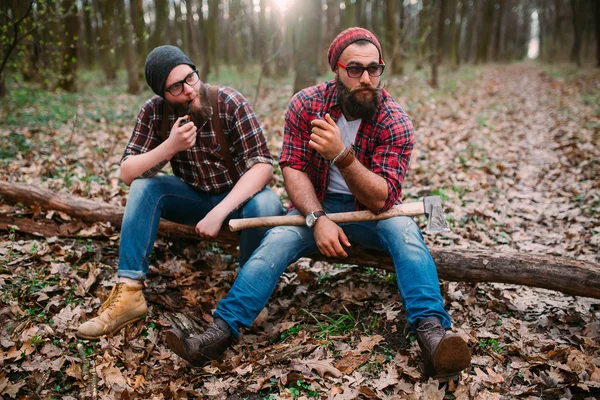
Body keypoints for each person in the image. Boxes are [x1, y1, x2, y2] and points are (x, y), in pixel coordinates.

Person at [165, 28, 471, 381]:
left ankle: (433, 337)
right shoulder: (306, 104)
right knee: (275, 242)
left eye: (374, 68)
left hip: (375, 212)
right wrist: (316, 218)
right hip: (317, 204)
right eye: (355, 69)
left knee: (406, 235)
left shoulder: (394, 119)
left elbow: (381, 197)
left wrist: (342, 155)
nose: (366, 78)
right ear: (336, 70)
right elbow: (293, 167)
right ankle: (216, 335)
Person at [76, 45, 284, 340]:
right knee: (145, 186)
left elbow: (263, 167)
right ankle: (130, 293)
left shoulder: (229, 102)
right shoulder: (153, 112)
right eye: (176, 87)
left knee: (267, 203)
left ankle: (249, 290)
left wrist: (220, 211)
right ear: (163, 94)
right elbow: (126, 172)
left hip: (240, 199)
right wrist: (170, 146)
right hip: (194, 197)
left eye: (190, 78)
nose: (189, 90)